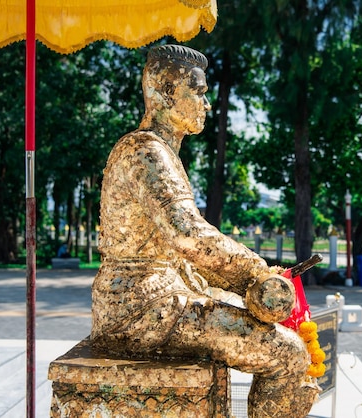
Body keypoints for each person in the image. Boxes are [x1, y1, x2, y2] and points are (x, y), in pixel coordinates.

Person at [90, 44, 318, 417]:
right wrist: (253, 272)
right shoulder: (145, 152)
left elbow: (185, 249)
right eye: (197, 91)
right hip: (142, 308)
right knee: (287, 354)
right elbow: (188, 235)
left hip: (156, 299)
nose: (206, 104)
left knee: (267, 334)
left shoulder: (159, 152)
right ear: (163, 91)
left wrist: (246, 283)